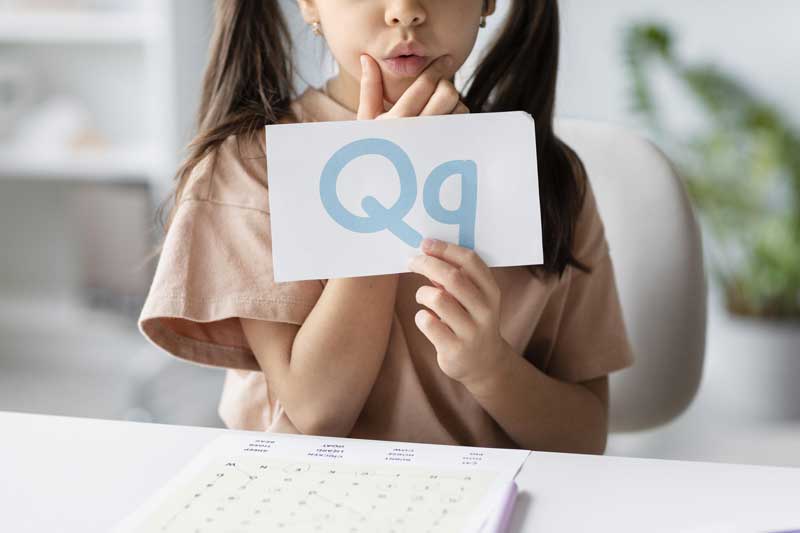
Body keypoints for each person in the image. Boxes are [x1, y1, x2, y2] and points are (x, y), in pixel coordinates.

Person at [138, 0, 634, 454]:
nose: (405, 12)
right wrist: (383, 178)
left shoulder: (549, 176)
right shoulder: (254, 164)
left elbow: (585, 437)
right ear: (308, 4)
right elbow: (316, 414)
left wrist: (489, 366)